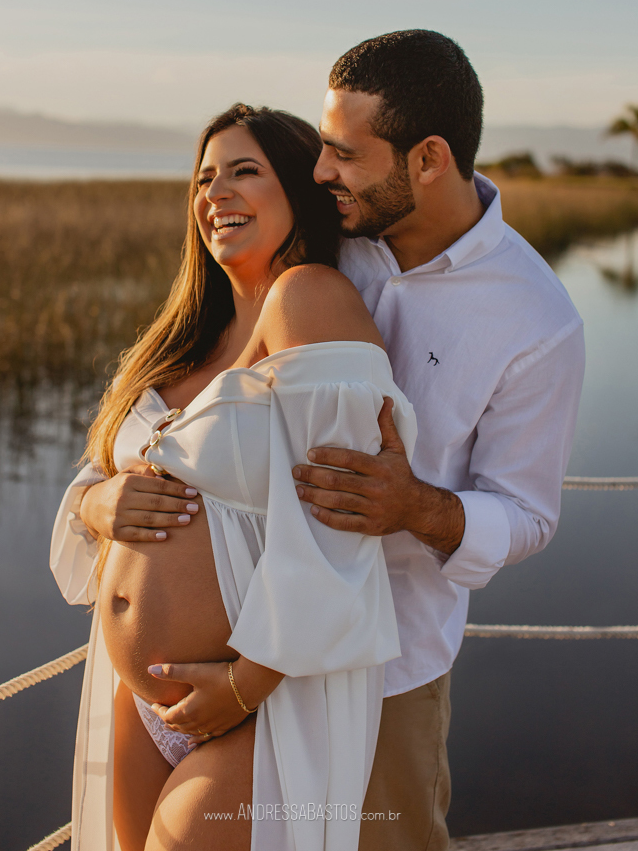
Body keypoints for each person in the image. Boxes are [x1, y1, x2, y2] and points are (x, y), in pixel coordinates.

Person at [76, 30, 585, 851]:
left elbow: (527, 513)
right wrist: (100, 499)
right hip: (191, 675)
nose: (322, 173)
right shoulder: (328, 241)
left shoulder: (536, 322)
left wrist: (417, 506)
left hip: (380, 671)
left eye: (343, 155)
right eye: (319, 150)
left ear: (427, 159)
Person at [50, 103, 418, 851]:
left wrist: (248, 682)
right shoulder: (181, 339)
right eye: (204, 177)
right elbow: (96, 474)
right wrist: (97, 504)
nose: (215, 191)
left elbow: (341, 525)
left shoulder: (309, 297)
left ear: (300, 188)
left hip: (263, 701)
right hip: (144, 701)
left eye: (245, 171)